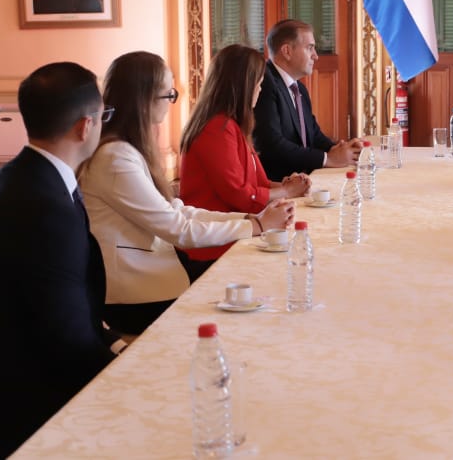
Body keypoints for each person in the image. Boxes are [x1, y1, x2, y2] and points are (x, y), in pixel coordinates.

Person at [0, 62, 121, 457]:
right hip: (11, 405)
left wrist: (113, 343)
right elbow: (66, 339)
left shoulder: (15, 178)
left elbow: (62, 300)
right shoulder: (45, 206)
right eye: (103, 117)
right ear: (85, 126)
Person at [80, 51, 294, 335]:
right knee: (250, 307)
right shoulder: (116, 158)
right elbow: (177, 229)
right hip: (135, 294)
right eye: (168, 95)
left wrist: (252, 219)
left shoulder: (125, 150)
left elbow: (178, 209)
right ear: (145, 99)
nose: (170, 103)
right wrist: (255, 225)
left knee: (256, 292)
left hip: (156, 274)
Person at [179, 44, 311, 267]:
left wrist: (285, 184)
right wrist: (287, 191)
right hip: (214, 245)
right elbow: (240, 195)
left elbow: (258, 183)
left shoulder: (231, 124)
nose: (260, 91)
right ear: (243, 87)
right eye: (258, 85)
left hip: (235, 232)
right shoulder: (216, 128)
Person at [253, 19, 362, 179]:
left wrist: (342, 149)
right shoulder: (265, 83)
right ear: (287, 51)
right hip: (279, 185)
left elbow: (313, 134)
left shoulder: (298, 87)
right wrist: (328, 159)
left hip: (303, 179)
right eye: (309, 48)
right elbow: (271, 144)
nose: (316, 56)